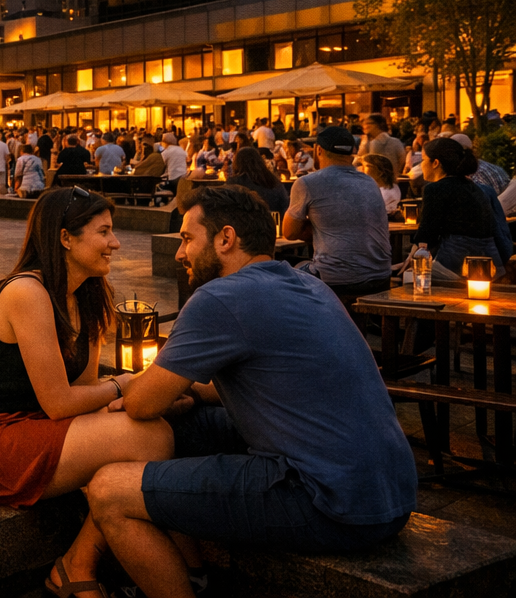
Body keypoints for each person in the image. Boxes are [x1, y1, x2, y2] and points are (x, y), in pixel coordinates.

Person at [85, 187, 416, 597]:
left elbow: (140, 402)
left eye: (188, 239)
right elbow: (281, 383)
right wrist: (192, 394)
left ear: (226, 238)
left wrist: (127, 390)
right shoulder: (307, 283)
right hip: (391, 490)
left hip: (328, 500)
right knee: (180, 427)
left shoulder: (221, 297)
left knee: (108, 490)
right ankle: (191, 572)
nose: (179, 253)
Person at [0, 187, 172, 596]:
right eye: (104, 232)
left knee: (150, 422)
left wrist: (138, 396)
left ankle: (80, 561)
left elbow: (83, 396)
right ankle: (78, 563)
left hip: (32, 427)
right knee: (152, 436)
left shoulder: (87, 296)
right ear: (66, 238)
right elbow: (60, 402)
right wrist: (124, 383)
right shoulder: (26, 293)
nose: (115, 243)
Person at [282, 125, 392, 306]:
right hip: (381, 276)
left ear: (318, 150)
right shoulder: (369, 181)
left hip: (337, 281)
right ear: (352, 153)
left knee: (280, 277)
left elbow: (289, 232)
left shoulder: (308, 183)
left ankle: (306, 333)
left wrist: (313, 226)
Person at [416, 137, 506, 273]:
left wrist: (415, 251)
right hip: (491, 265)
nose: (420, 165)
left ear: (435, 163)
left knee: (410, 278)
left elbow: (428, 234)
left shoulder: (435, 189)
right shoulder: (475, 187)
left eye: (423, 160)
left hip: (456, 265)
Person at [226, 146, 289, 214]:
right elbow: (285, 206)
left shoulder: (233, 184)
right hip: (272, 221)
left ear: (237, 163)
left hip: (242, 222)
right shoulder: (273, 181)